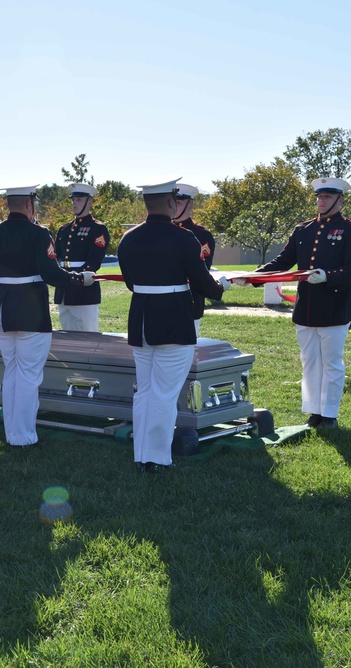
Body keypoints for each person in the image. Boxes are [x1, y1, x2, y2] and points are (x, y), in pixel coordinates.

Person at [117, 178, 229, 472]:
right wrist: (222, 286)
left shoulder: (128, 238)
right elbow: (203, 283)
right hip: (174, 320)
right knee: (164, 393)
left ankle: (141, 454)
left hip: (141, 318)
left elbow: (131, 283)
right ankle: (156, 458)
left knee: (145, 390)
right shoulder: (183, 239)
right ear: (170, 202)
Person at [249, 177, 351, 429]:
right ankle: (314, 412)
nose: (321, 201)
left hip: (334, 305)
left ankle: (330, 414)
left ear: (340, 200)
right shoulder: (302, 229)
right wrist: (253, 277)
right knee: (310, 361)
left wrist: (328, 275)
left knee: (331, 363)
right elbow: (283, 261)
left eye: (326, 197)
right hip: (306, 307)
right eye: (319, 197)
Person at [0, 185, 94, 446]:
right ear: (30, 204)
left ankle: (13, 432)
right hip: (30, 309)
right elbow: (52, 273)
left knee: (12, 371)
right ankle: (23, 436)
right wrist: (79, 279)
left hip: (3, 306)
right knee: (29, 375)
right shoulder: (38, 233)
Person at [53, 183, 110, 331]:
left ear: (89, 202)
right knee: (68, 336)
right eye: (73, 200)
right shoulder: (64, 229)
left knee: (88, 336)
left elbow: (94, 261)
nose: (74, 203)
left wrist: (76, 277)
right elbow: (55, 256)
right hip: (64, 289)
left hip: (84, 290)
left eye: (79, 200)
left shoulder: (98, 228)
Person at [173, 183, 216, 336]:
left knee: (188, 353)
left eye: (178, 202)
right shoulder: (159, 230)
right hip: (160, 303)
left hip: (189, 302)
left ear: (190, 206)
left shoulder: (202, 235)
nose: (173, 206)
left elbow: (201, 272)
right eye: (171, 201)